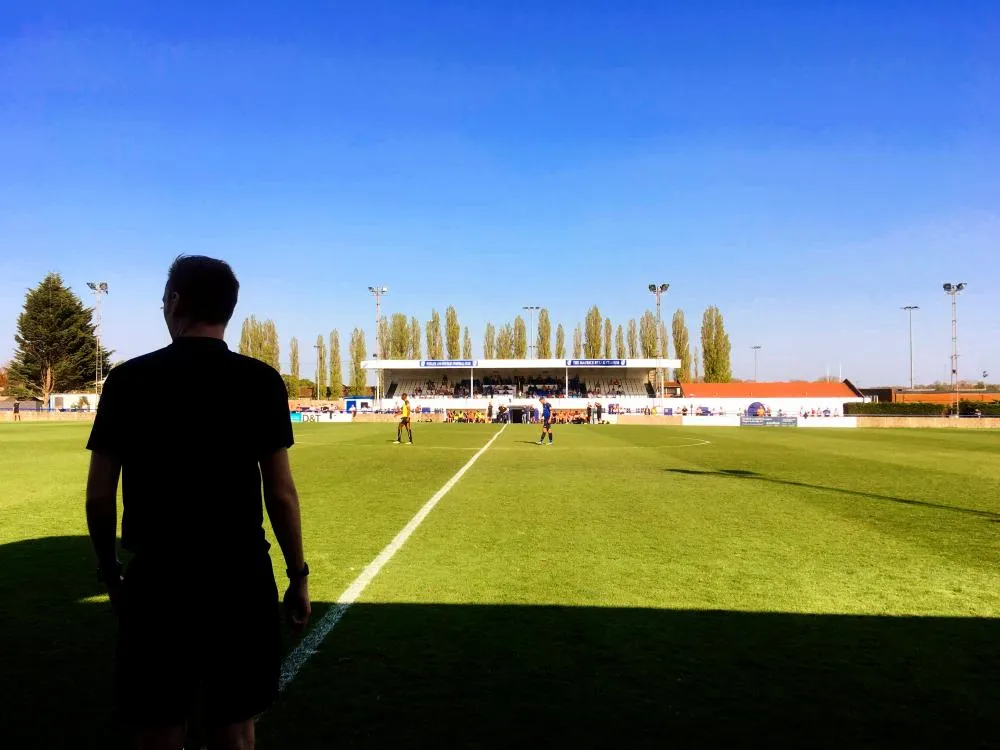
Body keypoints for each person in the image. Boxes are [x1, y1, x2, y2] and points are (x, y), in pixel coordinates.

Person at [85, 256, 310, 750]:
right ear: (229, 310)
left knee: (158, 725)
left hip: (159, 579)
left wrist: (111, 574)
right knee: (235, 726)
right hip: (239, 577)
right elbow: (280, 491)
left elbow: (100, 495)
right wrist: (298, 575)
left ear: (175, 302)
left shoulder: (127, 381)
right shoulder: (261, 381)